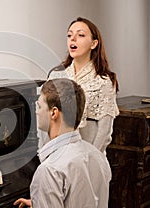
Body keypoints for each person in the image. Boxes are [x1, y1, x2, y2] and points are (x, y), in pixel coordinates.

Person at [13, 78, 111, 208]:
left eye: (40, 106)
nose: (36, 112)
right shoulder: (98, 157)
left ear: (54, 113)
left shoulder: (49, 170)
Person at [47, 17, 119, 153]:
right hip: (58, 155)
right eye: (69, 35)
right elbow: (46, 122)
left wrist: (89, 159)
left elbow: (104, 132)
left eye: (80, 35)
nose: (73, 39)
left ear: (93, 43)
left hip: (90, 156)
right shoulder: (56, 76)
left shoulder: (103, 81)